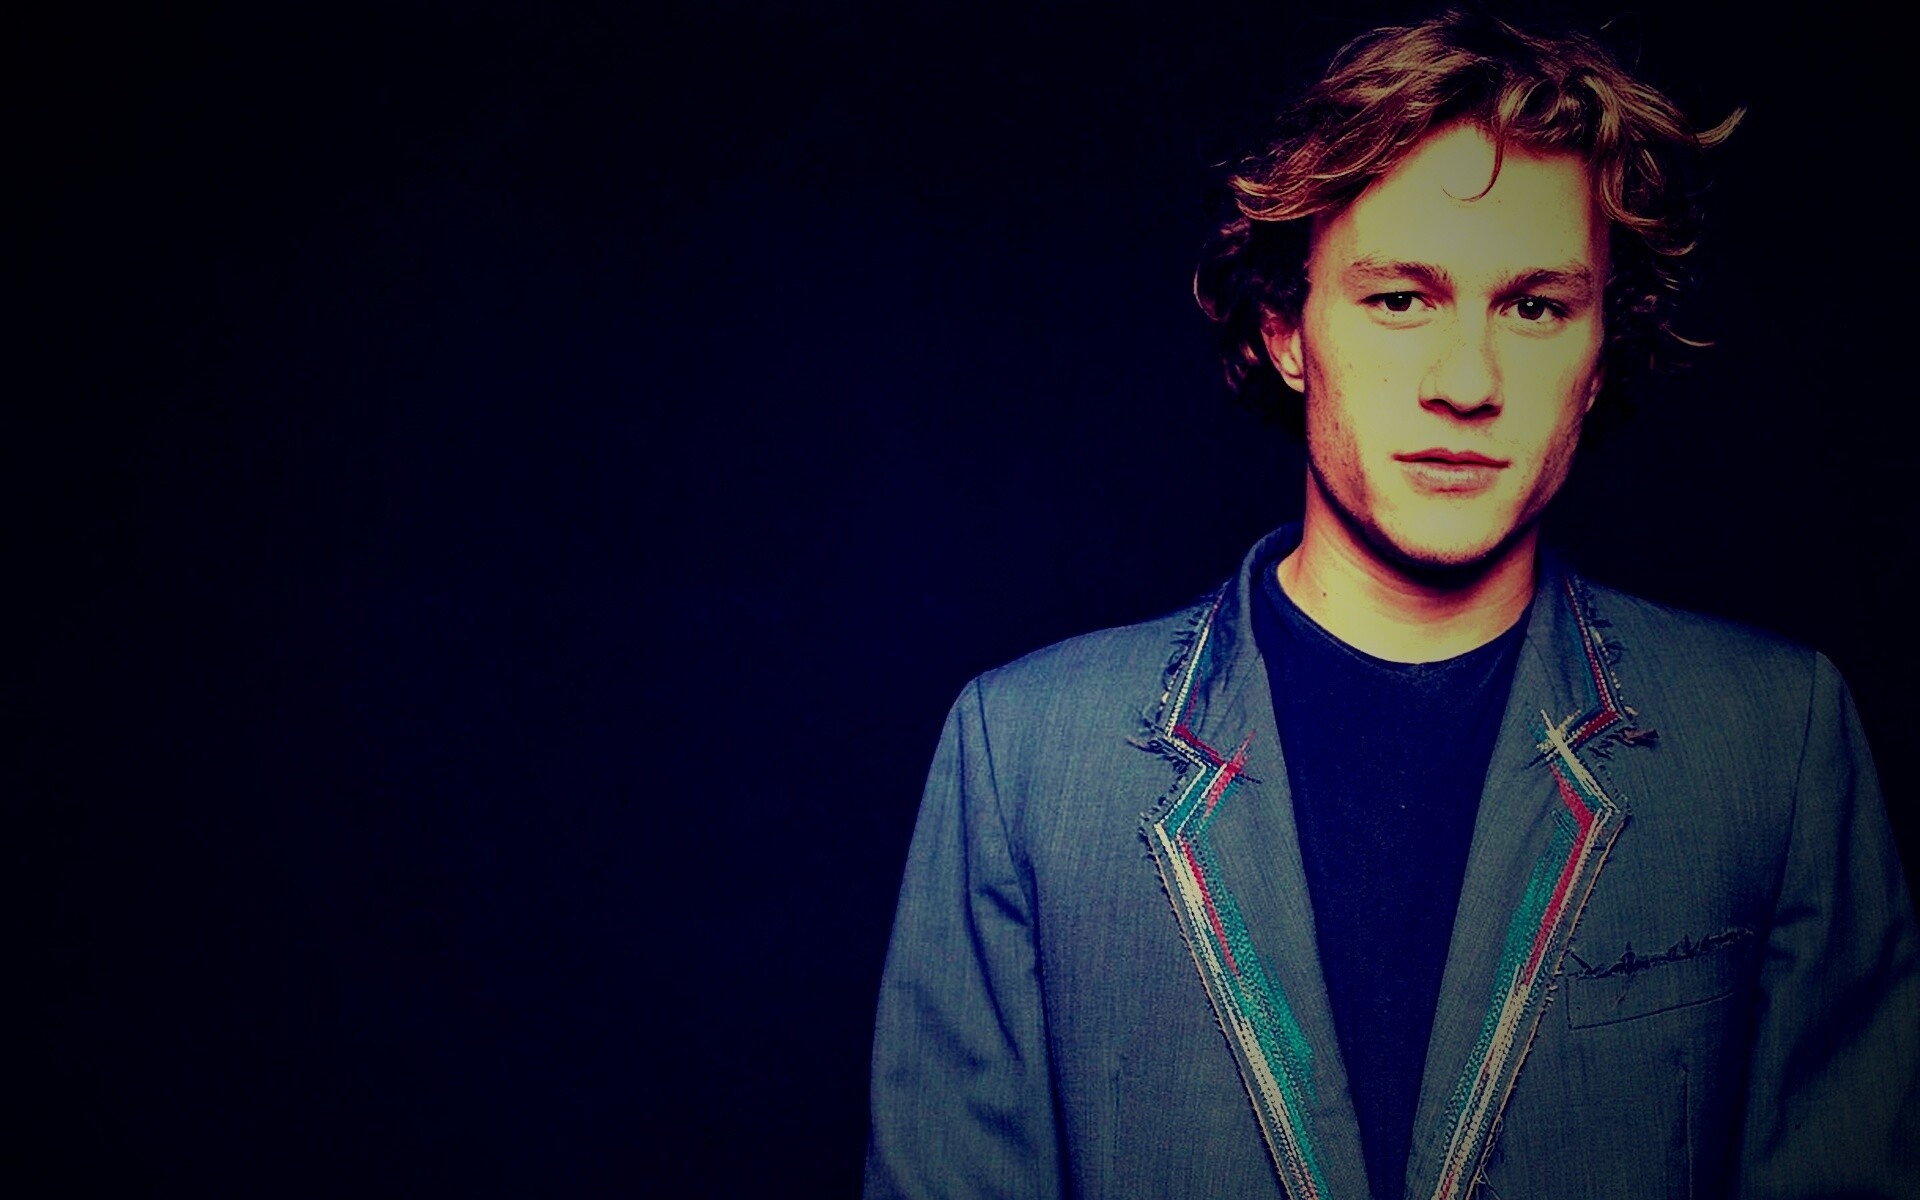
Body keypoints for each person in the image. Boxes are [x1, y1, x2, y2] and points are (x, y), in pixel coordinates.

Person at [863, 9, 1920, 1199]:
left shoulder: (1775, 741)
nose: (1467, 382)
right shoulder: (1024, 754)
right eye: (1401, 299)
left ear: (1598, 353)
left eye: (1534, 307)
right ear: (1286, 330)